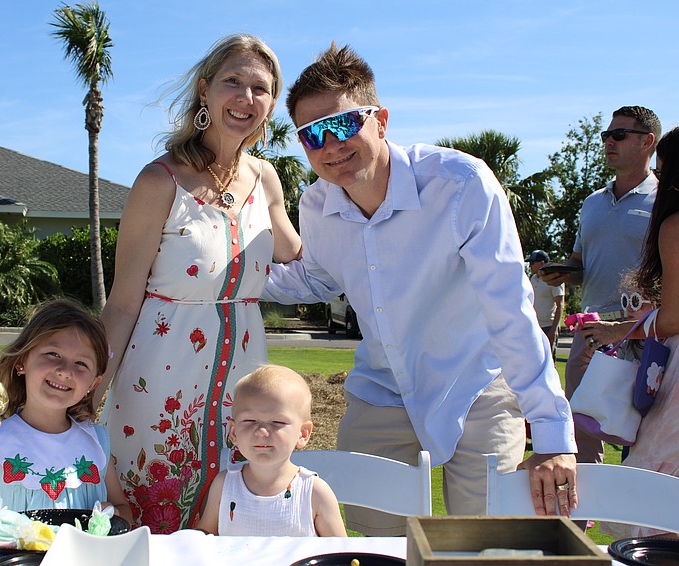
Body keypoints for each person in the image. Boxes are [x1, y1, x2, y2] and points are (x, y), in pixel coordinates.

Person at [263, 43, 577, 536]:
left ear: (381, 120)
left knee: (486, 540)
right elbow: (315, 277)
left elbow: (510, 312)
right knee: (380, 540)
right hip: (381, 390)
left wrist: (554, 433)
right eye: (312, 135)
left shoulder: (462, 184)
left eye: (344, 124)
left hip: (477, 384)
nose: (330, 145)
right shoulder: (317, 205)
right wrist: (220, 271)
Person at [94, 34, 302, 532]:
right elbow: (123, 302)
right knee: (148, 525)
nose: (246, 98)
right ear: (205, 90)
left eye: (261, 88)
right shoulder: (160, 180)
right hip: (158, 380)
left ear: (272, 104)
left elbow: (297, 251)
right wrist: (89, 392)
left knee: (238, 523)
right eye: (233, 82)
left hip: (245, 383)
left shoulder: (267, 178)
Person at [0, 298, 132, 525]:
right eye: (53, 354)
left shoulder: (96, 441)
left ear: (93, 383)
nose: (64, 371)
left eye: (81, 363)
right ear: (22, 361)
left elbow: (124, 510)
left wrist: (114, 514)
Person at [540, 106, 661, 464]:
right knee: (580, 432)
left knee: (642, 437)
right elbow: (580, 266)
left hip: (642, 333)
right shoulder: (592, 203)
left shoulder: (665, 202)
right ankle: (582, 519)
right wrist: (564, 272)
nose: (609, 141)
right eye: (606, 135)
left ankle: (632, 517)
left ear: (648, 142)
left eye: (619, 135)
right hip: (590, 331)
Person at [584, 127, 679, 539]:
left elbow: (675, 318)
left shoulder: (674, 224)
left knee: (658, 503)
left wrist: (627, 328)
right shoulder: (594, 204)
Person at [198, 365, 346, 536]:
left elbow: (341, 552)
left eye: (277, 422)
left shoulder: (314, 493)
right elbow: (204, 541)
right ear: (233, 432)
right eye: (249, 420)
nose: (261, 432)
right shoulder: (224, 485)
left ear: (303, 433)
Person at [527, 250, 565, 360]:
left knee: (548, 362)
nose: (530, 266)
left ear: (542, 263)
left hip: (548, 326)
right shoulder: (533, 279)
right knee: (535, 361)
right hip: (535, 326)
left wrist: (554, 330)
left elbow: (560, 305)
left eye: (532, 263)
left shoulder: (554, 279)